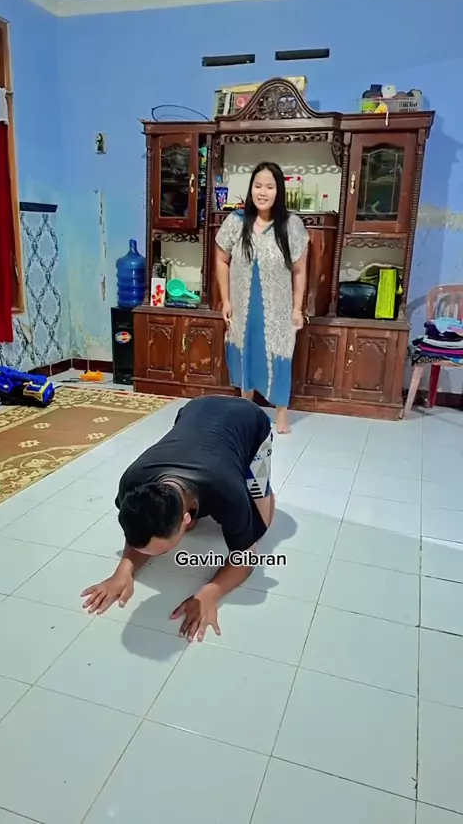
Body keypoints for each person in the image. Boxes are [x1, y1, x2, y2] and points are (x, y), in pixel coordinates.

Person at [81, 395, 275, 643]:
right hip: (195, 408)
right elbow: (140, 530)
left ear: (184, 518)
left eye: (161, 551)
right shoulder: (133, 484)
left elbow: (246, 557)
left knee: (261, 525)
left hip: (247, 417)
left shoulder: (227, 491)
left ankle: (261, 488)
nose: (152, 556)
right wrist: (123, 570)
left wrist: (210, 593)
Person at [215, 161, 309, 434]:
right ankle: (246, 411)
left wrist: (297, 309)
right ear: (251, 189)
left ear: (279, 191)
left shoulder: (291, 225)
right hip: (243, 306)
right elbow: (221, 260)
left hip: (278, 308)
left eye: (269, 187)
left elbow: (300, 271)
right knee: (245, 351)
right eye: (258, 186)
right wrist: (226, 300)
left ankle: (281, 414)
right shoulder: (236, 222)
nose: (262, 192)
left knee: (280, 354)